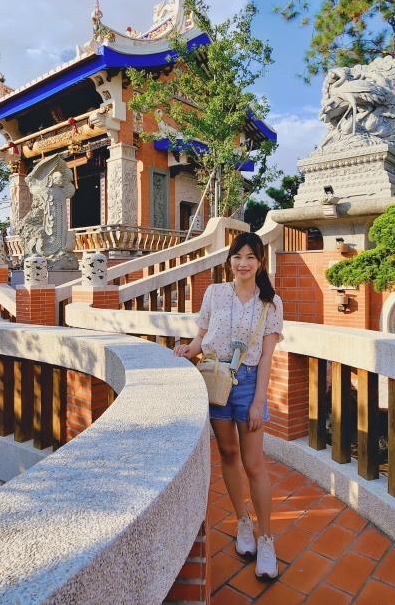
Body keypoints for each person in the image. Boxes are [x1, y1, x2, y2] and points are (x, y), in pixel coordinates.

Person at [173, 231, 284, 579]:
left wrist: (258, 401)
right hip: (215, 380)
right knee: (228, 455)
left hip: (249, 383)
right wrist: (186, 351)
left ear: (260, 263)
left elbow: (266, 357)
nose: (243, 263)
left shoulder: (271, 302)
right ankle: (243, 523)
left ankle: (267, 538)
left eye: (251, 257)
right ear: (230, 261)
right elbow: (201, 337)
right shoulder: (215, 293)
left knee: (254, 464)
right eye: (238, 256)